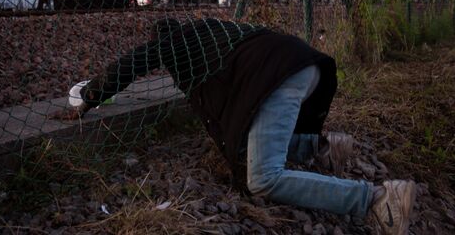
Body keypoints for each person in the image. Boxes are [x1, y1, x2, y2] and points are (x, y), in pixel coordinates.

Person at [53, 18, 417, 235]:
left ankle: (379, 200)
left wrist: (87, 99)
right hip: (306, 68)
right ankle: (321, 148)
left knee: (263, 178)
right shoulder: (210, 31)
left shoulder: (171, 45)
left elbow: (128, 66)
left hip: (278, 80)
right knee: (252, 150)